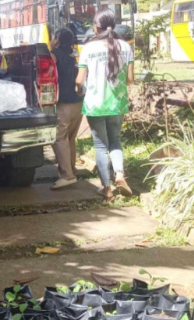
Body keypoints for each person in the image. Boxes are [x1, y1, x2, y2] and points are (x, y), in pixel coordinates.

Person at [75, 9, 134, 202]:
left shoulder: (88, 48)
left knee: (101, 146)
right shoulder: (126, 47)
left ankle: (107, 189)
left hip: (95, 104)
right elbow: (131, 79)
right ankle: (119, 174)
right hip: (118, 103)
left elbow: (80, 80)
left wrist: (78, 89)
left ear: (96, 26)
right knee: (115, 141)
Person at [50, 28, 83, 190]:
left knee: (60, 138)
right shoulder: (75, 54)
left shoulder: (55, 53)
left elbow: (49, 70)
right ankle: (72, 170)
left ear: (57, 39)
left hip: (64, 103)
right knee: (70, 138)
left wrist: (51, 47)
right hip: (79, 102)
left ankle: (67, 175)